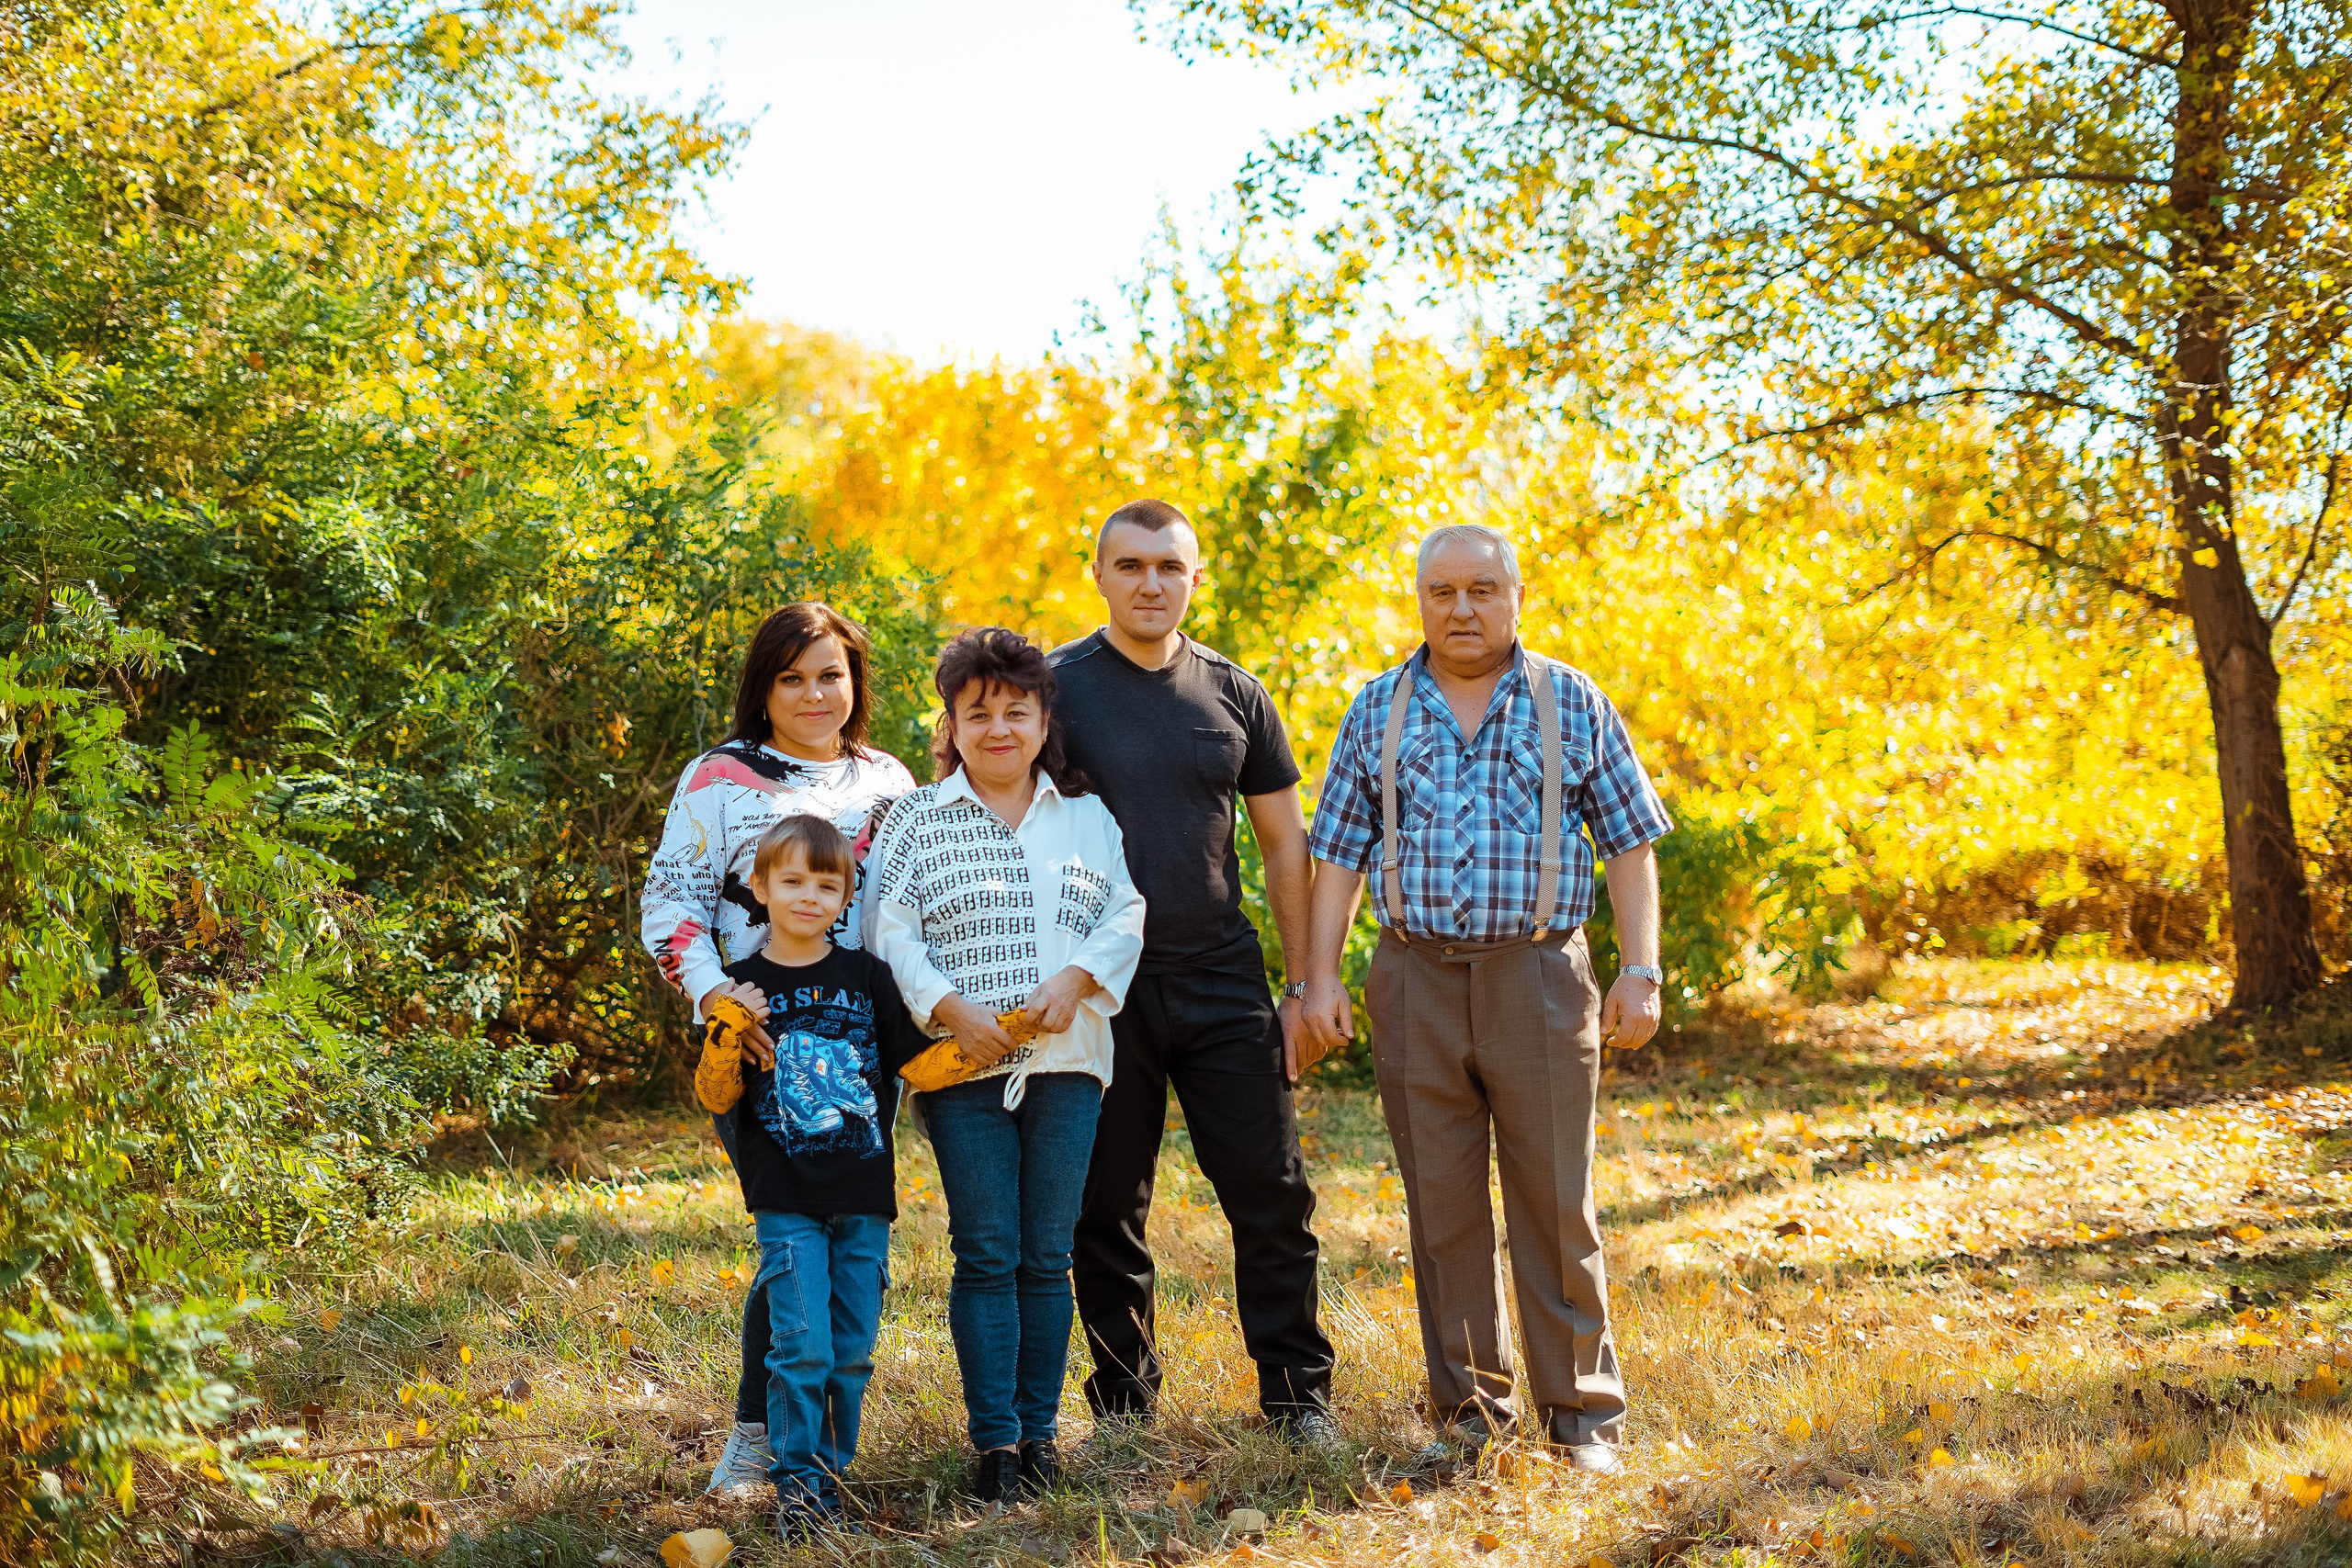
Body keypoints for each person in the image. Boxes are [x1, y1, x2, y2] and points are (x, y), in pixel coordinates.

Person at [1296, 524, 1672, 1473]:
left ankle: (1582, 1416)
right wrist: (1322, 977)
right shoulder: (1376, 707)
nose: (1461, 609)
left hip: (1538, 976)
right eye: (1442, 593)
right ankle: (1468, 1416)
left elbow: (1628, 843)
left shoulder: (1569, 700)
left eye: (1481, 591)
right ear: (1418, 600)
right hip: (1413, 977)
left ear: (1513, 596)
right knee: (1443, 1206)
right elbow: (1336, 853)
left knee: (1555, 1200)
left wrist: (1641, 969)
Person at [1049, 499, 1338, 1441]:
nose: (1149, 583)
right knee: (1104, 1209)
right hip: (1098, 989)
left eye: (1168, 567)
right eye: (1129, 565)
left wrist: (1303, 987)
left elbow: (1284, 844)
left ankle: (1297, 1399)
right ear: (1098, 575)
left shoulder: (1234, 693)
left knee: (1271, 1193)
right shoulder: (1052, 690)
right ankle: (1124, 1408)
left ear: (1193, 579)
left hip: (1220, 979)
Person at [638, 602, 918, 1495]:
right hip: (756, 1048)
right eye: (791, 677)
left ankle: (818, 1444)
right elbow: (669, 905)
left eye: (829, 674)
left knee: (841, 1237)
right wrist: (717, 993)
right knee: (794, 1233)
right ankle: (759, 1436)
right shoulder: (719, 778)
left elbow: (908, 914)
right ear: (762, 688)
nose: (812, 693)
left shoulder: (890, 782)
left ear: (854, 683)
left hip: (862, 1054)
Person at [864, 628, 1146, 1506]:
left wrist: (1077, 976)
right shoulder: (917, 818)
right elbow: (887, 929)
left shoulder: (1086, 817)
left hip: (1067, 1061)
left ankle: (1041, 1433)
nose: (998, 729)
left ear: (1042, 717)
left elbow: (1126, 911)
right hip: (960, 1068)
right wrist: (949, 1008)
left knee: (1047, 1252)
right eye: (977, 712)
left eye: (1015, 711)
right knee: (986, 1251)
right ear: (951, 721)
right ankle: (995, 1443)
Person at [693, 815, 930, 1536]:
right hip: (787, 1199)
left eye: (826, 884)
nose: (808, 896)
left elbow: (916, 1066)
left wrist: (1001, 1033)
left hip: (864, 1197)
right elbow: (715, 1095)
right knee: (802, 1345)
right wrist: (728, 1029)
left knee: (852, 1351)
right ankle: (800, 1491)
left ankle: (830, 1471)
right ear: (760, 888)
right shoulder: (741, 987)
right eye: (791, 881)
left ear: (846, 895)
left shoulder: (867, 976)